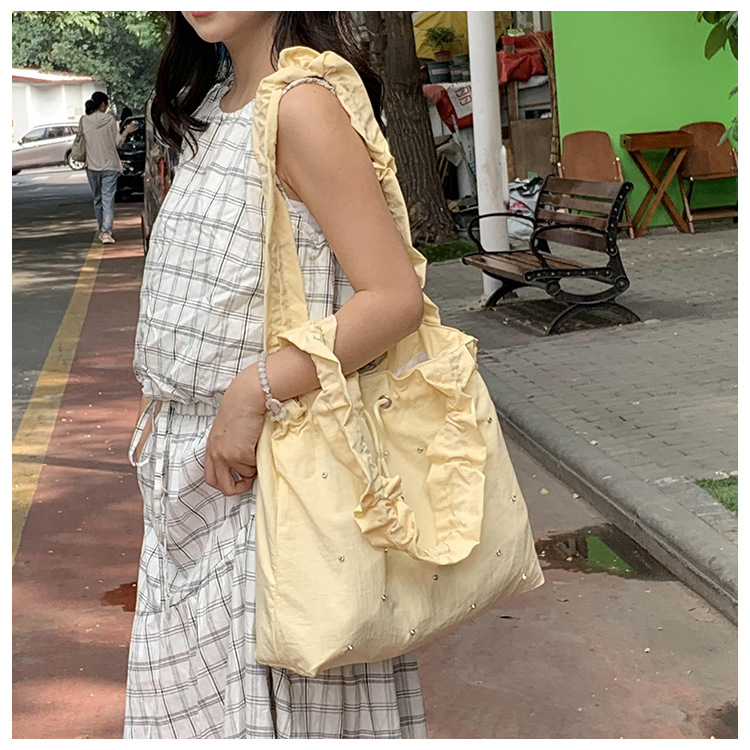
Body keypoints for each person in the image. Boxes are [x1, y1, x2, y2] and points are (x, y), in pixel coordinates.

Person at [126, 11, 428, 740]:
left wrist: (252, 390)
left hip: (273, 470)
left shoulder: (302, 105)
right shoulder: (210, 107)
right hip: (194, 480)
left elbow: (393, 298)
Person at [81, 91, 137, 244]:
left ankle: (102, 229)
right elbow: (117, 143)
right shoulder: (110, 120)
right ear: (103, 105)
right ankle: (106, 233)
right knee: (108, 199)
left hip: (92, 165)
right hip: (110, 166)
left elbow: (82, 140)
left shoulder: (84, 120)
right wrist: (126, 132)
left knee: (97, 199)